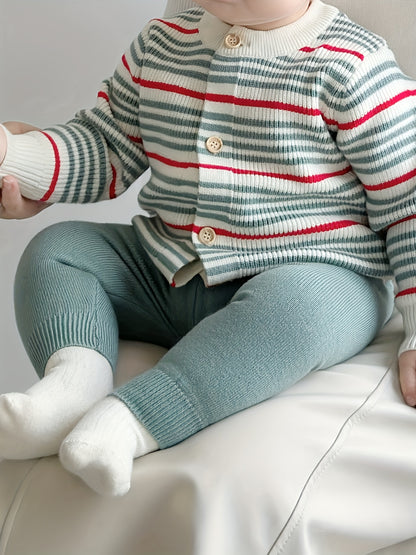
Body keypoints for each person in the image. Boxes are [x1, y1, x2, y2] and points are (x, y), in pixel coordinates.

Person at [0, 0, 415, 497]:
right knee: (58, 248)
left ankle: (133, 419)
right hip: (168, 267)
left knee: (304, 309)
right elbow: (104, 148)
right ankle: (73, 383)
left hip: (315, 268)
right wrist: (13, 155)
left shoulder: (352, 65)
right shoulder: (161, 43)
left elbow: (407, 201)